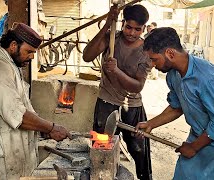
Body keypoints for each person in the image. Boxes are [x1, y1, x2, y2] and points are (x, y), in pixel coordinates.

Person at [136, 27, 214, 179]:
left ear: (170, 54)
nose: (152, 65)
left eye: (154, 59)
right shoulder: (172, 76)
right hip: (200, 134)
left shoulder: (207, 76)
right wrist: (151, 123)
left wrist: (193, 147)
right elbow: (176, 107)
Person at [0, 23, 71, 179]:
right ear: (13, 45)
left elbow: (23, 107)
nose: (32, 57)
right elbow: (17, 114)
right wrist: (51, 128)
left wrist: (43, 130)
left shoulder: (10, 65)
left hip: (10, 153)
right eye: (29, 52)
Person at [82, 4, 152, 180]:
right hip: (106, 102)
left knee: (140, 154)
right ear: (122, 23)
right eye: (129, 27)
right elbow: (87, 56)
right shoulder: (112, 37)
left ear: (143, 28)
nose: (132, 33)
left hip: (133, 107)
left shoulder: (146, 51)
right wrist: (107, 23)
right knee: (101, 152)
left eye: (138, 29)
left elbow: (137, 86)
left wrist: (117, 71)